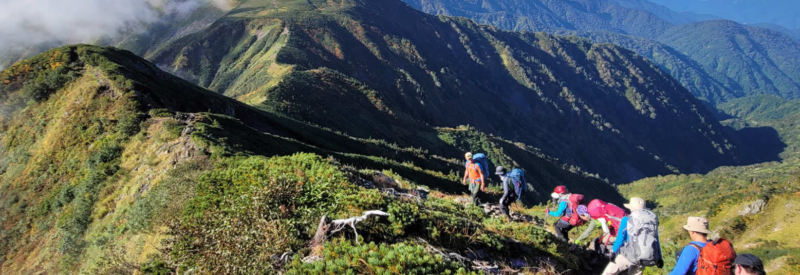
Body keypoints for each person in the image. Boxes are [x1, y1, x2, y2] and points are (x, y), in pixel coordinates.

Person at [603, 197, 663, 275]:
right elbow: (656, 240)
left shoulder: (627, 219)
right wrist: (659, 258)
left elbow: (620, 239)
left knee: (608, 272)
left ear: (631, 208)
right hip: (645, 256)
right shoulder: (652, 221)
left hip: (628, 255)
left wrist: (613, 252)